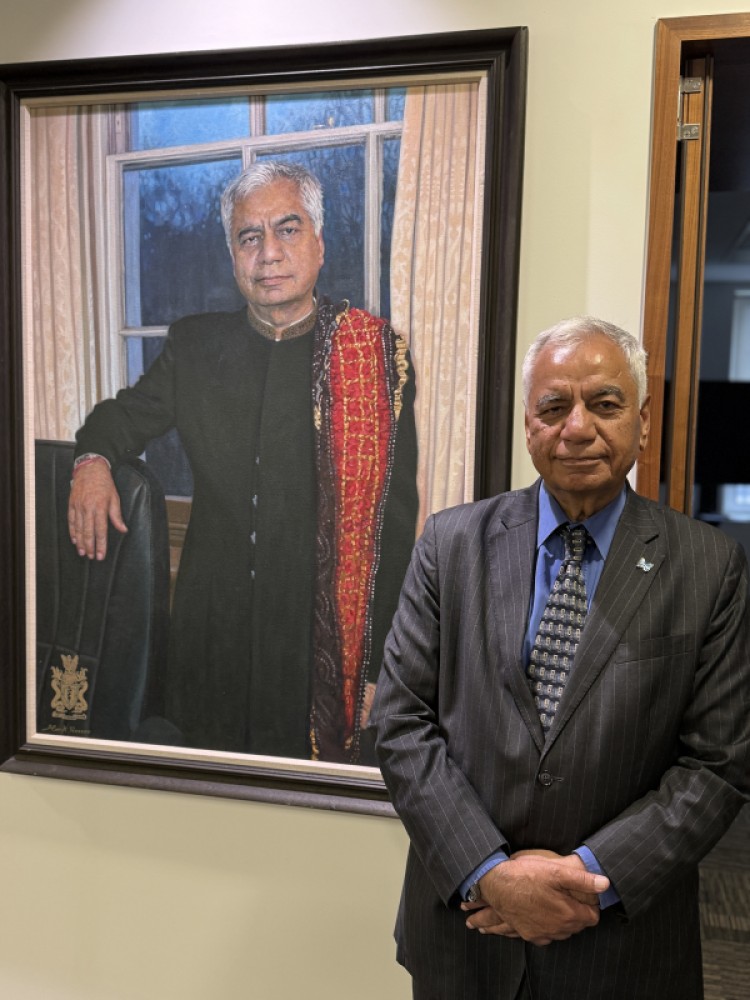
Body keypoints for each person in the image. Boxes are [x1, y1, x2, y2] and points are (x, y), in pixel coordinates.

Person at [371, 316, 750, 999]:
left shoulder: (709, 565)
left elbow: (718, 765)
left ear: (641, 417)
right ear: (527, 424)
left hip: (621, 946)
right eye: (553, 407)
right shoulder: (449, 545)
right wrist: (490, 873)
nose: (577, 429)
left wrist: (585, 884)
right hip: (467, 933)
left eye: (604, 404)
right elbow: (401, 724)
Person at [68, 160, 418, 764]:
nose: (269, 254)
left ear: (319, 243)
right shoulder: (196, 346)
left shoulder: (373, 356)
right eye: (249, 237)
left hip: (316, 638)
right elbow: (121, 418)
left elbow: (392, 521)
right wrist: (92, 460)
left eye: (287, 229)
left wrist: (379, 662)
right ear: (232, 255)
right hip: (210, 629)